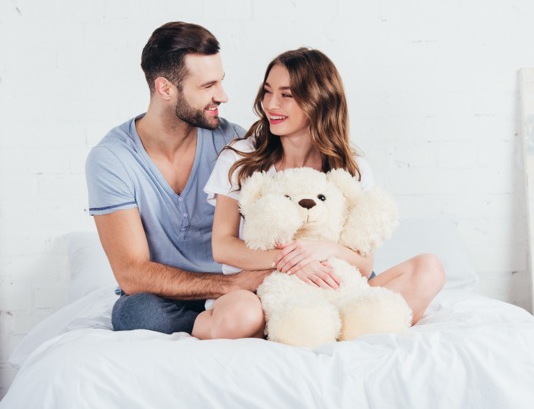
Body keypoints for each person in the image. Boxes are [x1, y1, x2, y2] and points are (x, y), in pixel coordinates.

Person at [193, 47, 446, 340]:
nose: (271, 104)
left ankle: (335, 325)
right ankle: (269, 325)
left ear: (319, 100)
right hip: (261, 289)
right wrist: (292, 261)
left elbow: (365, 264)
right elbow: (222, 247)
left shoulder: (351, 167)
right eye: (267, 91)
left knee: (429, 269)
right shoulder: (241, 157)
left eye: (286, 95)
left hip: (334, 289)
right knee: (240, 318)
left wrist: (328, 250)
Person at [85, 21, 271, 335]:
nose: (222, 96)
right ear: (165, 89)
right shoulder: (112, 159)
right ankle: (220, 327)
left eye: (220, 82)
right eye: (208, 86)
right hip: (168, 298)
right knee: (136, 313)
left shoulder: (234, 144)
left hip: (238, 295)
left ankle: (224, 323)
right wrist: (229, 284)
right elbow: (132, 274)